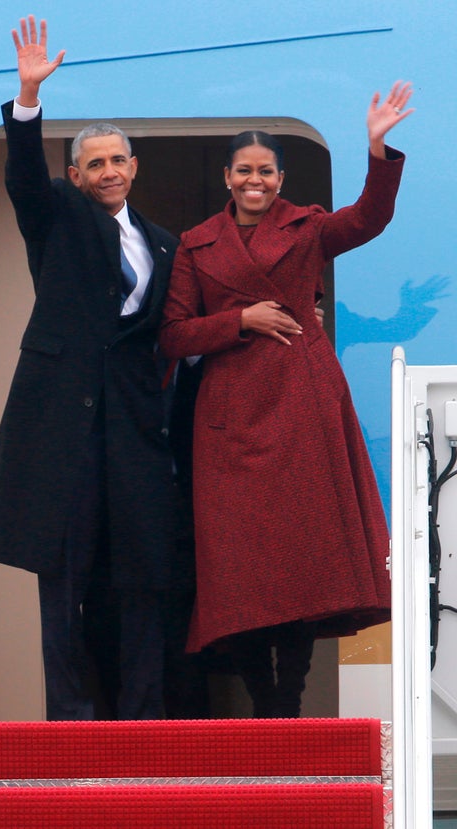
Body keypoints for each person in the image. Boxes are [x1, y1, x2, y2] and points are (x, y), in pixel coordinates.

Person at [159, 81, 414, 718]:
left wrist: (377, 147)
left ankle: (289, 704)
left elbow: (370, 218)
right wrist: (240, 320)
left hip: (301, 406)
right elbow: (171, 335)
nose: (256, 181)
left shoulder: (307, 228)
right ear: (227, 176)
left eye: (266, 171)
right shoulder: (195, 244)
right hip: (229, 423)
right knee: (241, 574)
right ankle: (264, 702)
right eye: (245, 171)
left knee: (303, 565)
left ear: (280, 177)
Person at [0, 16, 193, 720]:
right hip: (62, 425)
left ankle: (143, 712)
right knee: (61, 573)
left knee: (142, 574)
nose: (106, 171)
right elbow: (26, 181)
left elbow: (180, 325)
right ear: (77, 174)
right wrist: (28, 100)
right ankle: (68, 715)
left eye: (116, 161)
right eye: (92, 163)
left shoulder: (166, 245)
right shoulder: (58, 216)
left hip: (133, 430)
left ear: (133, 168)